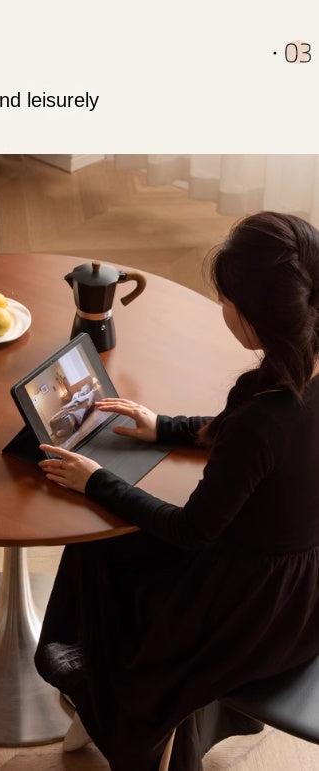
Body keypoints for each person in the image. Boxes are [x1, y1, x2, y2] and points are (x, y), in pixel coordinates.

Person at [35, 211, 319, 771]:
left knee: (97, 543)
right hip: (304, 595)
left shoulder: (264, 420)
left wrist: (97, 480)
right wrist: (164, 426)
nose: (223, 308)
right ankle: (94, 691)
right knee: (113, 539)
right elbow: (258, 446)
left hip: (248, 613)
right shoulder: (297, 378)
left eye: (226, 300)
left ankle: (98, 698)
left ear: (252, 317)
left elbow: (191, 530)